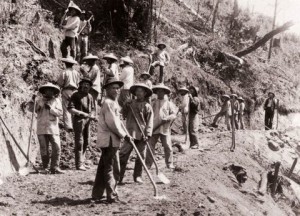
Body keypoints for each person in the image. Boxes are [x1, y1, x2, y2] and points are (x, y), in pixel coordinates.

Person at [92, 77, 132, 203]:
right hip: (109, 140)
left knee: (103, 166)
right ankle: (112, 195)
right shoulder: (109, 103)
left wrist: (125, 133)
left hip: (110, 139)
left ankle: (97, 194)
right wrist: (124, 135)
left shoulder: (113, 103)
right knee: (113, 168)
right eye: (113, 88)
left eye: (117, 88)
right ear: (107, 90)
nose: (116, 91)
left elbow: (118, 122)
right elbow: (112, 123)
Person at [119, 83, 153, 184]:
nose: (139, 93)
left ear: (145, 93)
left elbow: (150, 122)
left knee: (141, 157)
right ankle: (119, 176)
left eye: (141, 91)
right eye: (137, 91)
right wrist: (125, 105)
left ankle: (138, 176)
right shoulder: (130, 103)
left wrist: (147, 134)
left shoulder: (148, 106)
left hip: (142, 134)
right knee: (123, 155)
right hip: (129, 133)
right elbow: (123, 114)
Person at [27, 83, 64, 174]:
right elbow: (31, 109)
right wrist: (32, 99)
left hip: (53, 127)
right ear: (44, 91)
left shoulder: (57, 101)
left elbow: (60, 113)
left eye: (51, 90)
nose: (49, 92)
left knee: (56, 146)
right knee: (44, 148)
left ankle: (55, 167)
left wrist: (51, 109)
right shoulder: (39, 100)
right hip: (41, 127)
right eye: (47, 90)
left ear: (54, 92)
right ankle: (45, 167)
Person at [146, 84, 177, 169]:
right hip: (154, 127)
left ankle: (169, 163)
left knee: (167, 146)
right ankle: (148, 164)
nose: (160, 93)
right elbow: (147, 114)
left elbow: (174, 114)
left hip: (165, 128)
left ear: (165, 93)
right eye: (158, 91)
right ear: (156, 92)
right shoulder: (153, 103)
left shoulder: (169, 104)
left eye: (162, 91)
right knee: (150, 147)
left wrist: (168, 118)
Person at [68, 78, 96, 171]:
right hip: (79, 120)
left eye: (88, 85)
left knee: (87, 141)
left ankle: (82, 161)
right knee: (79, 142)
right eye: (84, 84)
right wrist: (82, 114)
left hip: (88, 120)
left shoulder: (90, 96)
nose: (86, 86)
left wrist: (91, 115)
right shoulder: (75, 95)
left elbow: (92, 109)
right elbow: (71, 109)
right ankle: (78, 164)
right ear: (81, 85)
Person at [57, 57, 81, 132]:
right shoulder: (76, 73)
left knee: (66, 108)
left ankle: (68, 126)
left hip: (66, 90)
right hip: (75, 91)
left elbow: (60, 83)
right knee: (74, 108)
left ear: (66, 64)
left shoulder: (64, 72)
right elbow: (78, 83)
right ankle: (75, 125)